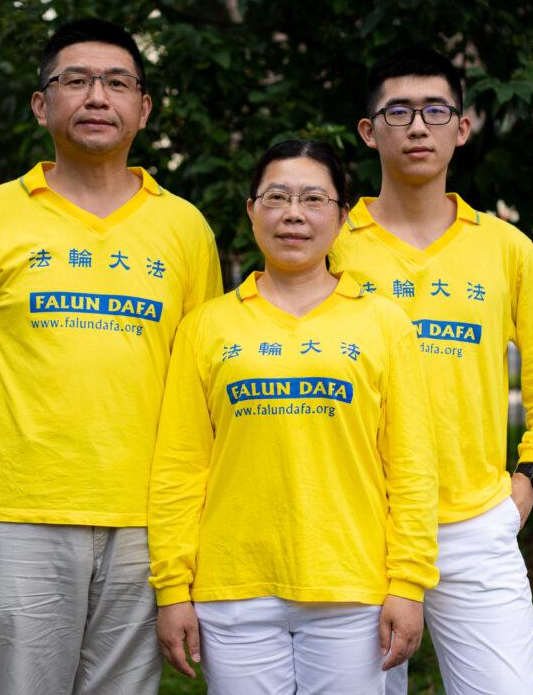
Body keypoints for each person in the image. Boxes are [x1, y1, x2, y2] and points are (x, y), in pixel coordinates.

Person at [0, 17, 222, 695]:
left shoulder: (184, 229)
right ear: (41, 103)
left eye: (117, 82)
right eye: (74, 80)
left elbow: (204, 388)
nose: (96, 97)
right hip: (14, 513)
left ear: (143, 109)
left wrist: (195, 519)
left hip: (145, 519)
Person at [329, 48, 533, 695]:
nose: (418, 127)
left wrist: (527, 484)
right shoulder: (332, 245)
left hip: (474, 524)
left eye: (436, 110)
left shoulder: (504, 247)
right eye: (399, 111)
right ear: (368, 130)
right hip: (358, 525)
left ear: (461, 128)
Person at [148, 139, 440, 695]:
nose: (293, 214)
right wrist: (172, 589)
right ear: (251, 210)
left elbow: (411, 469)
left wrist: (408, 583)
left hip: (352, 591)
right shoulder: (207, 327)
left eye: (313, 199)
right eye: (276, 197)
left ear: (342, 216)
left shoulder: (383, 323)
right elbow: (179, 470)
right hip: (233, 591)